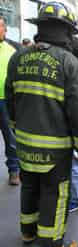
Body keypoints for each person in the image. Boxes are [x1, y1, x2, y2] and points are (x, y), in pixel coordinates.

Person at [6, 2, 78, 247]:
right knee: (55, 192)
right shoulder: (68, 63)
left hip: (24, 143)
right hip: (55, 148)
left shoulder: (18, 57)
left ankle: (28, 230)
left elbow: (10, 97)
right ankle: (52, 243)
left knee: (29, 185)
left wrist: (15, 128)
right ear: (67, 32)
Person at [0, 15, 20, 185]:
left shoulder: (13, 49)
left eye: (0, 26)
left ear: (5, 29)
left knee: (11, 139)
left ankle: (14, 171)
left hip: (6, 101)